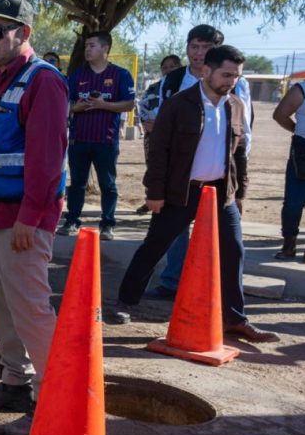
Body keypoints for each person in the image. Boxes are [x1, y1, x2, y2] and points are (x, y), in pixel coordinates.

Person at [109, 46, 277, 343]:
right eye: (226, 74)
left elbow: (239, 154)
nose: (230, 81)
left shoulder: (236, 105)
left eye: (236, 77)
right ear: (206, 71)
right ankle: (125, 303)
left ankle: (235, 319)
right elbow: (158, 152)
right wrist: (155, 193)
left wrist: (240, 193)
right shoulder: (178, 105)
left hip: (221, 194)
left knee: (234, 251)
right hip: (179, 194)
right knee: (155, 246)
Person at [0, 0, 69, 435]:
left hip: (23, 219)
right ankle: (14, 381)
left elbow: (47, 160)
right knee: (3, 306)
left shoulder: (43, 81)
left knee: (30, 310)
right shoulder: (0, 78)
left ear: (23, 34)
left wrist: (31, 218)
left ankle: (51, 402)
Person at [144, 25, 231, 299]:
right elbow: (160, 128)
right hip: (179, 174)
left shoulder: (235, 83)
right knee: (171, 232)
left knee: (223, 236)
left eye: (206, 48)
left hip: (218, 175)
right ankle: (171, 282)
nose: (199, 53)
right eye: (194, 46)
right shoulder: (173, 81)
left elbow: (243, 132)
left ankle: (213, 291)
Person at [58, 31, 135, 240]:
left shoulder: (120, 74)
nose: (87, 50)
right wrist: (78, 107)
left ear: (105, 48)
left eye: (92, 45)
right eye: (86, 46)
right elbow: (65, 105)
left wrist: (104, 105)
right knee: (77, 184)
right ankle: (72, 220)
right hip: (79, 139)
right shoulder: (78, 75)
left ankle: (108, 224)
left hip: (106, 140)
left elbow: (129, 103)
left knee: (107, 184)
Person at [272, 64, 305, 264]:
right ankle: (289, 242)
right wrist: (299, 130)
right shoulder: (303, 89)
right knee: (294, 202)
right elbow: (280, 115)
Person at [134, 54, 183, 215]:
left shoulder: (186, 86)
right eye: (165, 67)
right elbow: (143, 107)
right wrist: (146, 123)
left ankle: (172, 203)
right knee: (154, 167)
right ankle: (151, 199)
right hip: (153, 136)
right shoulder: (154, 87)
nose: (168, 69)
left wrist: (161, 125)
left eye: (172, 66)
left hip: (176, 138)